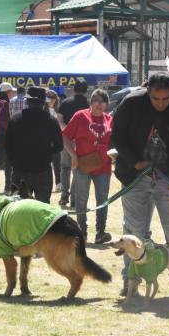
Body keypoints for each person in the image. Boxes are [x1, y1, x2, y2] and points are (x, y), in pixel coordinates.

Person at [111, 72, 169, 297]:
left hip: (168, 180)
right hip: (134, 177)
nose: (160, 104)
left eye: (166, 99)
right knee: (133, 231)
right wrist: (135, 162)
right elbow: (117, 137)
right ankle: (130, 280)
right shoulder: (131, 103)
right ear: (147, 92)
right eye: (155, 99)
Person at [62, 89, 113, 244]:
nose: (99, 104)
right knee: (81, 199)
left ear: (106, 104)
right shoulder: (80, 116)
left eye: (103, 101)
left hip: (103, 166)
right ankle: (81, 233)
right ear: (90, 103)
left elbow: (115, 142)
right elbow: (65, 135)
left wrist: (115, 156)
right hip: (82, 165)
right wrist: (73, 156)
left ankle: (100, 233)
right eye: (96, 100)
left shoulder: (110, 119)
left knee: (102, 199)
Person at [5, 87, 62, 203]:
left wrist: (14, 161)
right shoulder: (51, 120)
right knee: (43, 208)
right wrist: (47, 155)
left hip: (20, 170)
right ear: (43, 103)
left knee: (19, 209)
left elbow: (7, 145)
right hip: (43, 170)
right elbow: (59, 146)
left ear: (27, 101)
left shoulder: (15, 119)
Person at [57, 81, 89, 207]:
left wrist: (67, 132)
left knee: (65, 167)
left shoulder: (65, 102)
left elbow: (58, 119)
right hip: (82, 140)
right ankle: (75, 198)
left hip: (66, 139)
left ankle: (64, 195)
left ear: (74, 89)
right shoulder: (88, 105)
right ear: (86, 91)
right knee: (78, 169)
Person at [46, 90, 62, 192]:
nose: (51, 99)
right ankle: (48, 184)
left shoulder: (59, 111)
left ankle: (58, 184)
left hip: (56, 139)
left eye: (53, 97)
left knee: (57, 163)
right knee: (46, 164)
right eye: (49, 97)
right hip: (45, 140)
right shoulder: (43, 110)